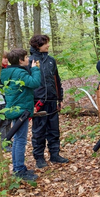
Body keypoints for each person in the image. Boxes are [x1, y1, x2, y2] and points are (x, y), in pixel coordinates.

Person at [0, 48, 41, 181]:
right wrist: (35, 69)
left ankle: (19, 168)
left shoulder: (6, 72)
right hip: (20, 110)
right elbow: (34, 83)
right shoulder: (19, 73)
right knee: (20, 140)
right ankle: (18, 170)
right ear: (20, 60)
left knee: (18, 139)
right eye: (26, 57)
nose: (29, 59)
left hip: (15, 109)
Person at [28, 34, 68, 168]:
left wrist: (60, 98)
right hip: (38, 102)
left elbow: (57, 80)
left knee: (54, 129)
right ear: (38, 45)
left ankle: (55, 154)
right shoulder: (30, 61)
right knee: (39, 131)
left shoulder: (51, 60)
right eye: (45, 43)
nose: (48, 45)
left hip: (52, 100)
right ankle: (39, 158)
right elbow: (27, 83)